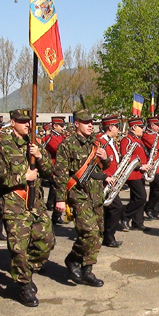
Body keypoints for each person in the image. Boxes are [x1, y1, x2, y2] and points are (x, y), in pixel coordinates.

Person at [0, 109, 54, 307]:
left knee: (46, 241)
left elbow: (49, 171)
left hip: (36, 204)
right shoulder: (3, 146)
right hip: (14, 204)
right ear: (13, 122)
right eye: (23, 121)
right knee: (19, 249)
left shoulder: (34, 144)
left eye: (30, 121)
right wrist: (22, 178)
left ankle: (28, 271)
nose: (28, 125)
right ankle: (23, 285)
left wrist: (39, 156)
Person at [54, 109, 110, 287]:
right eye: (85, 122)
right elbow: (60, 175)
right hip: (78, 194)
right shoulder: (67, 145)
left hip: (96, 194)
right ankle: (73, 259)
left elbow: (103, 168)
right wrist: (60, 199)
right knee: (89, 232)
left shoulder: (95, 144)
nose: (89, 125)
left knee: (99, 234)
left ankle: (87, 270)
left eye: (91, 122)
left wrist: (105, 158)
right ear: (76, 123)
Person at [120, 118, 151, 231]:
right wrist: (140, 166)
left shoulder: (137, 139)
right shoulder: (127, 139)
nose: (143, 129)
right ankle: (124, 215)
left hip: (139, 173)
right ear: (134, 128)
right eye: (141, 127)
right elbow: (126, 156)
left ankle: (138, 222)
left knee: (136, 197)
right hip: (132, 173)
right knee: (141, 197)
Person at [98, 115, 124, 248]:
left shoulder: (112, 141)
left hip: (113, 180)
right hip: (105, 181)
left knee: (108, 209)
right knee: (116, 207)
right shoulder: (100, 141)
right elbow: (95, 162)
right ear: (110, 127)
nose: (119, 129)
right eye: (117, 126)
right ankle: (108, 236)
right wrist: (105, 177)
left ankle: (105, 235)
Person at [42, 116, 67, 225]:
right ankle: (55, 214)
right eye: (61, 126)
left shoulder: (61, 136)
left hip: (61, 168)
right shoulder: (50, 137)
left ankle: (56, 215)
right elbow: (58, 150)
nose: (63, 128)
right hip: (54, 168)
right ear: (55, 126)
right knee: (58, 192)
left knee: (58, 192)